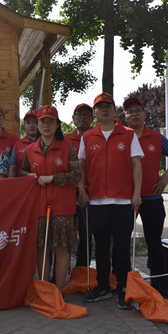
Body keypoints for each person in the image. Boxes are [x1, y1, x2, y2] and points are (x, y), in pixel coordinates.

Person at [78, 92, 143, 309]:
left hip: (123, 200)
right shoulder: (88, 137)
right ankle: (104, 286)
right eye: (100, 107)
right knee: (101, 246)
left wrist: (136, 193)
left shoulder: (128, 134)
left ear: (115, 110)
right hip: (97, 201)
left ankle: (124, 288)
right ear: (94, 112)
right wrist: (82, 190)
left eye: (108, 106)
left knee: (121, 247)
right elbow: (81, 166)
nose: (104, 110)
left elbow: (136, 165)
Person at [123, 96, 168, 297]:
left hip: (152, 198)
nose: (135, 114)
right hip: (126, 198)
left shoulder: (156, 137)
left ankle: (159, 284)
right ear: (125, 117)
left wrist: (165, 177)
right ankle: (123, 283)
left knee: (154, 243)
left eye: (138, 110)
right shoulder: (122, 137)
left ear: (145, 114)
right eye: (130, 111)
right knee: (122, 242)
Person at [19, 105, 80, 292]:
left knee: (61, 248)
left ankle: (58, 290)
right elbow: (22, 171)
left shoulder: (67, 147)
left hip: (62, 206)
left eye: (50, 122)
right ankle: (45, 289)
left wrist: (53, 178)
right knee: (41, 247)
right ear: (37, 125)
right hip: (38, 206)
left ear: (57, 125)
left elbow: (76, 175)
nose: (46, 126)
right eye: (42, 122)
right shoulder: (30, 150)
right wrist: (28, 175)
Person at [65, 103, 95, 268]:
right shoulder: (65, 140)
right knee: (66, 235)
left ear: (92, 118)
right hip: (68, 193)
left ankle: (82, 271)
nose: (83, 118)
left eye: (86, 115)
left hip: (90, 194)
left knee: (86, 234)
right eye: (79, 114)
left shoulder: (96, 137)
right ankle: (63, 271)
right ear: (73, 118)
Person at [9, 108, 39, 177]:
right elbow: (13, 168)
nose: (31, 125)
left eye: (35, 122)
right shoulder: (18, 144)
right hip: (23, 182)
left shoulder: (45, 142)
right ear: (24, 125)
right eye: (28, 123)